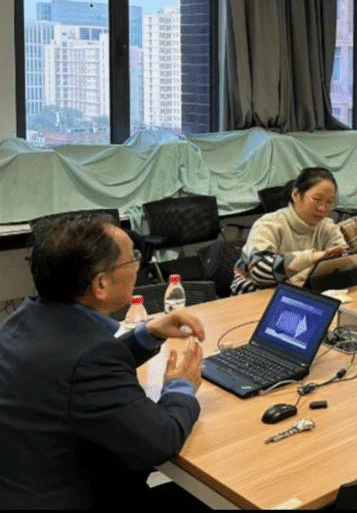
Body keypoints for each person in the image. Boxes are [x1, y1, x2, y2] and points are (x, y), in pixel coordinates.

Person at [0, 212, 206, 508]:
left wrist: (147, 334)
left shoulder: (21, 322)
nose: (137, 266)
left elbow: (73, 374)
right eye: (131, 259)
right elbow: (161, 441)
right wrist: (181, 386)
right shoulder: (92, 358)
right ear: (101, 284)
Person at [232, 168, 357, 295]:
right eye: (317, 199)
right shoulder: (269, 224)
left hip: (302, 294)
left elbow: (345, 265)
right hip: (254, 296)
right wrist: (314, 257)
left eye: (329, 202)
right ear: (296, 195)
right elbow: (259, 271)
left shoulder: (327, 227)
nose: (322, 208)